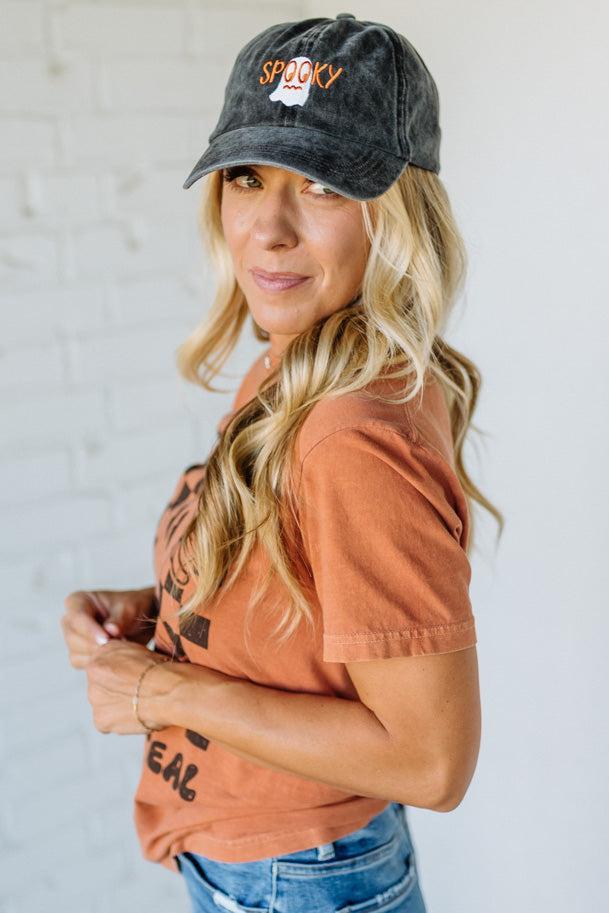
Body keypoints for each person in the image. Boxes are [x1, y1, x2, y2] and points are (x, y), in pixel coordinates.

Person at [60, 13, 503, 913]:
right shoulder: (301, 360)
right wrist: (164, 611)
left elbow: (430, 759)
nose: (268, 227)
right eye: (247, 176)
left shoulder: (351, 432)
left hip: (293, 880)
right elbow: (308, 594)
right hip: (273, 865)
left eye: (323, 185)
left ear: (399, 212)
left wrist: (161, 688)